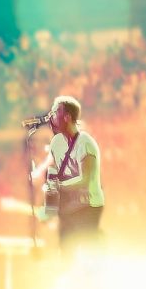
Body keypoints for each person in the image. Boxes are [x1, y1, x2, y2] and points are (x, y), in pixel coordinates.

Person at [46, 95, 104, 256]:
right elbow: (53, 173)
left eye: (55, 112)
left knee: (89, 252)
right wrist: (49, 209)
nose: (50, 116)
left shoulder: (85, 143)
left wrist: (60, 186)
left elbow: (85, 179)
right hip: (68, 208)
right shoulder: (56, 143)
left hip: (88, 206)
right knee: (66, 253)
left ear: (67, 117)